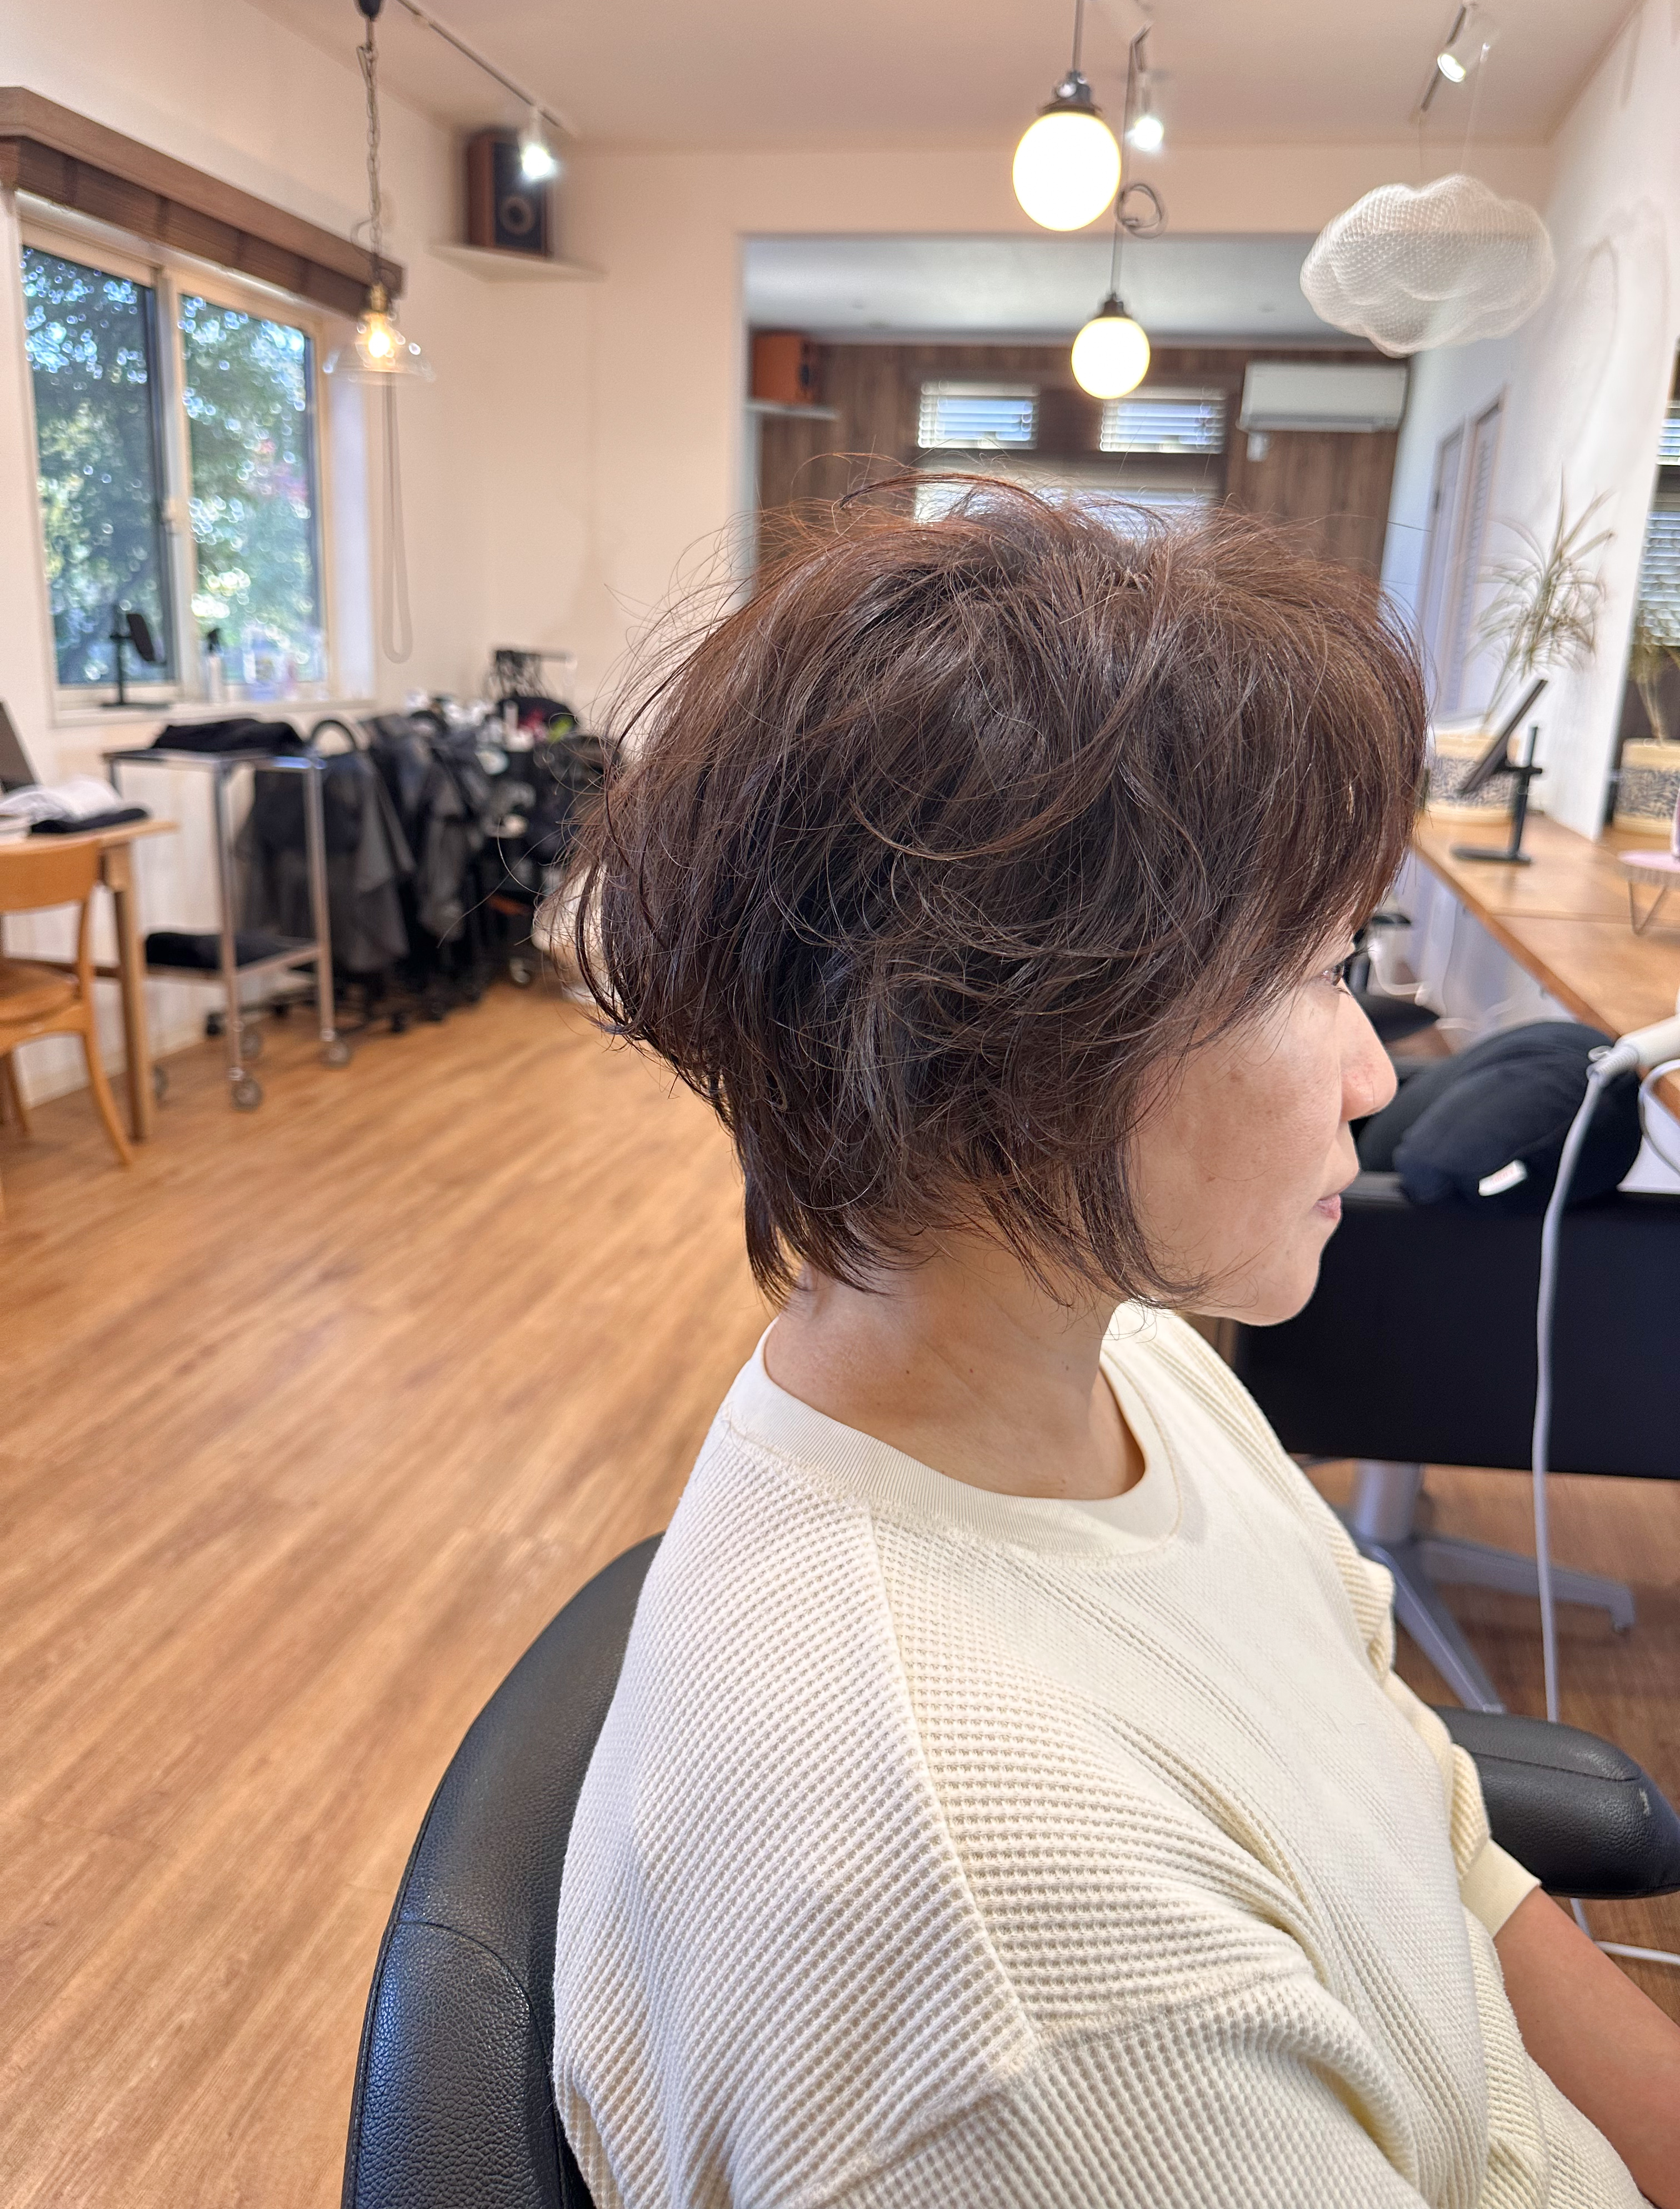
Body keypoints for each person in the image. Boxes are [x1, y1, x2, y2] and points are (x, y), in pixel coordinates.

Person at [552, 486, 1680, 2207]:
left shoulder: (1120, 1362)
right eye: (1317, 972)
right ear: (1020, 1045)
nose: (1376, 1076)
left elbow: (1426, 1819)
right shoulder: (1023, 1986)